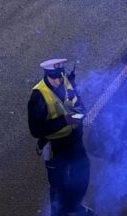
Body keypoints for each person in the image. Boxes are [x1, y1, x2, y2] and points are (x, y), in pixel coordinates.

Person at [28, 59, 93, 216]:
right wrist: (64, 120)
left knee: (82, 172)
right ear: (47, 75)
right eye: (54, 77)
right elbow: (36, 130)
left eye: (60, 76)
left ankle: (74, 206)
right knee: (58, 185)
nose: (58, 81)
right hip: (55, 146)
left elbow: (78, 104)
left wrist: (79, 114)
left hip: (74, 141)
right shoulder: (38, 96)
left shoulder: (66, 81)